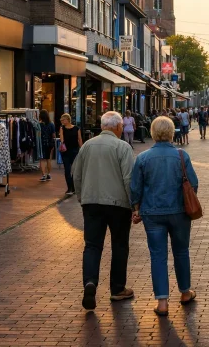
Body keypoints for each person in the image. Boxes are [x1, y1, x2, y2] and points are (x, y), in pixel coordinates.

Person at [130, 116, 199, 317]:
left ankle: (162, 302)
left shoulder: (142, 158)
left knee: (157, 255)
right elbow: (193, 183)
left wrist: (136, 208)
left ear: (152, 132)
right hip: (179, 211)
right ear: (171, 132)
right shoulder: (181, 156)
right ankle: (185, 292)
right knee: (181, 251)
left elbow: (135, 188)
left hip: (152, 212)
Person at [73, 111, 135, 310]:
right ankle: (117, 289)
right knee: (119, 245)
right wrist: (135, 204)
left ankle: (90, 282)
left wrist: (82, 196)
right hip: (118, 204)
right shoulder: (122, 147)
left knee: (92, 245)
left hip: (91, 202)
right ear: (118, 127)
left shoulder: (87, 146)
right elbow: (129, 179)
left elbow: (77, 174)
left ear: (101, 126)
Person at [60, 113, 83, 196]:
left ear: (68, 119)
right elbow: (62, 139)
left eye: (63, 120)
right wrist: (62, 143)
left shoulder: (76, 128)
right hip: (65, 151)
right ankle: (69, 187)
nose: (62, 121)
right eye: (61, 120)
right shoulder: (62, 128)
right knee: (67, 169)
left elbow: (79, 139)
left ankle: (73, 187)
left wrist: (82, 149)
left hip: (75, 151)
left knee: (75, 170)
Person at [38, 109, 56, 182]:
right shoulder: (51, 124)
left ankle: (43, 175)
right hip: (50, 143)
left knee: (42, 159)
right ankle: (48, 174)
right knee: (49, 159)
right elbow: (53, 135)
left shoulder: (39, 124)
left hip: (42, 143)